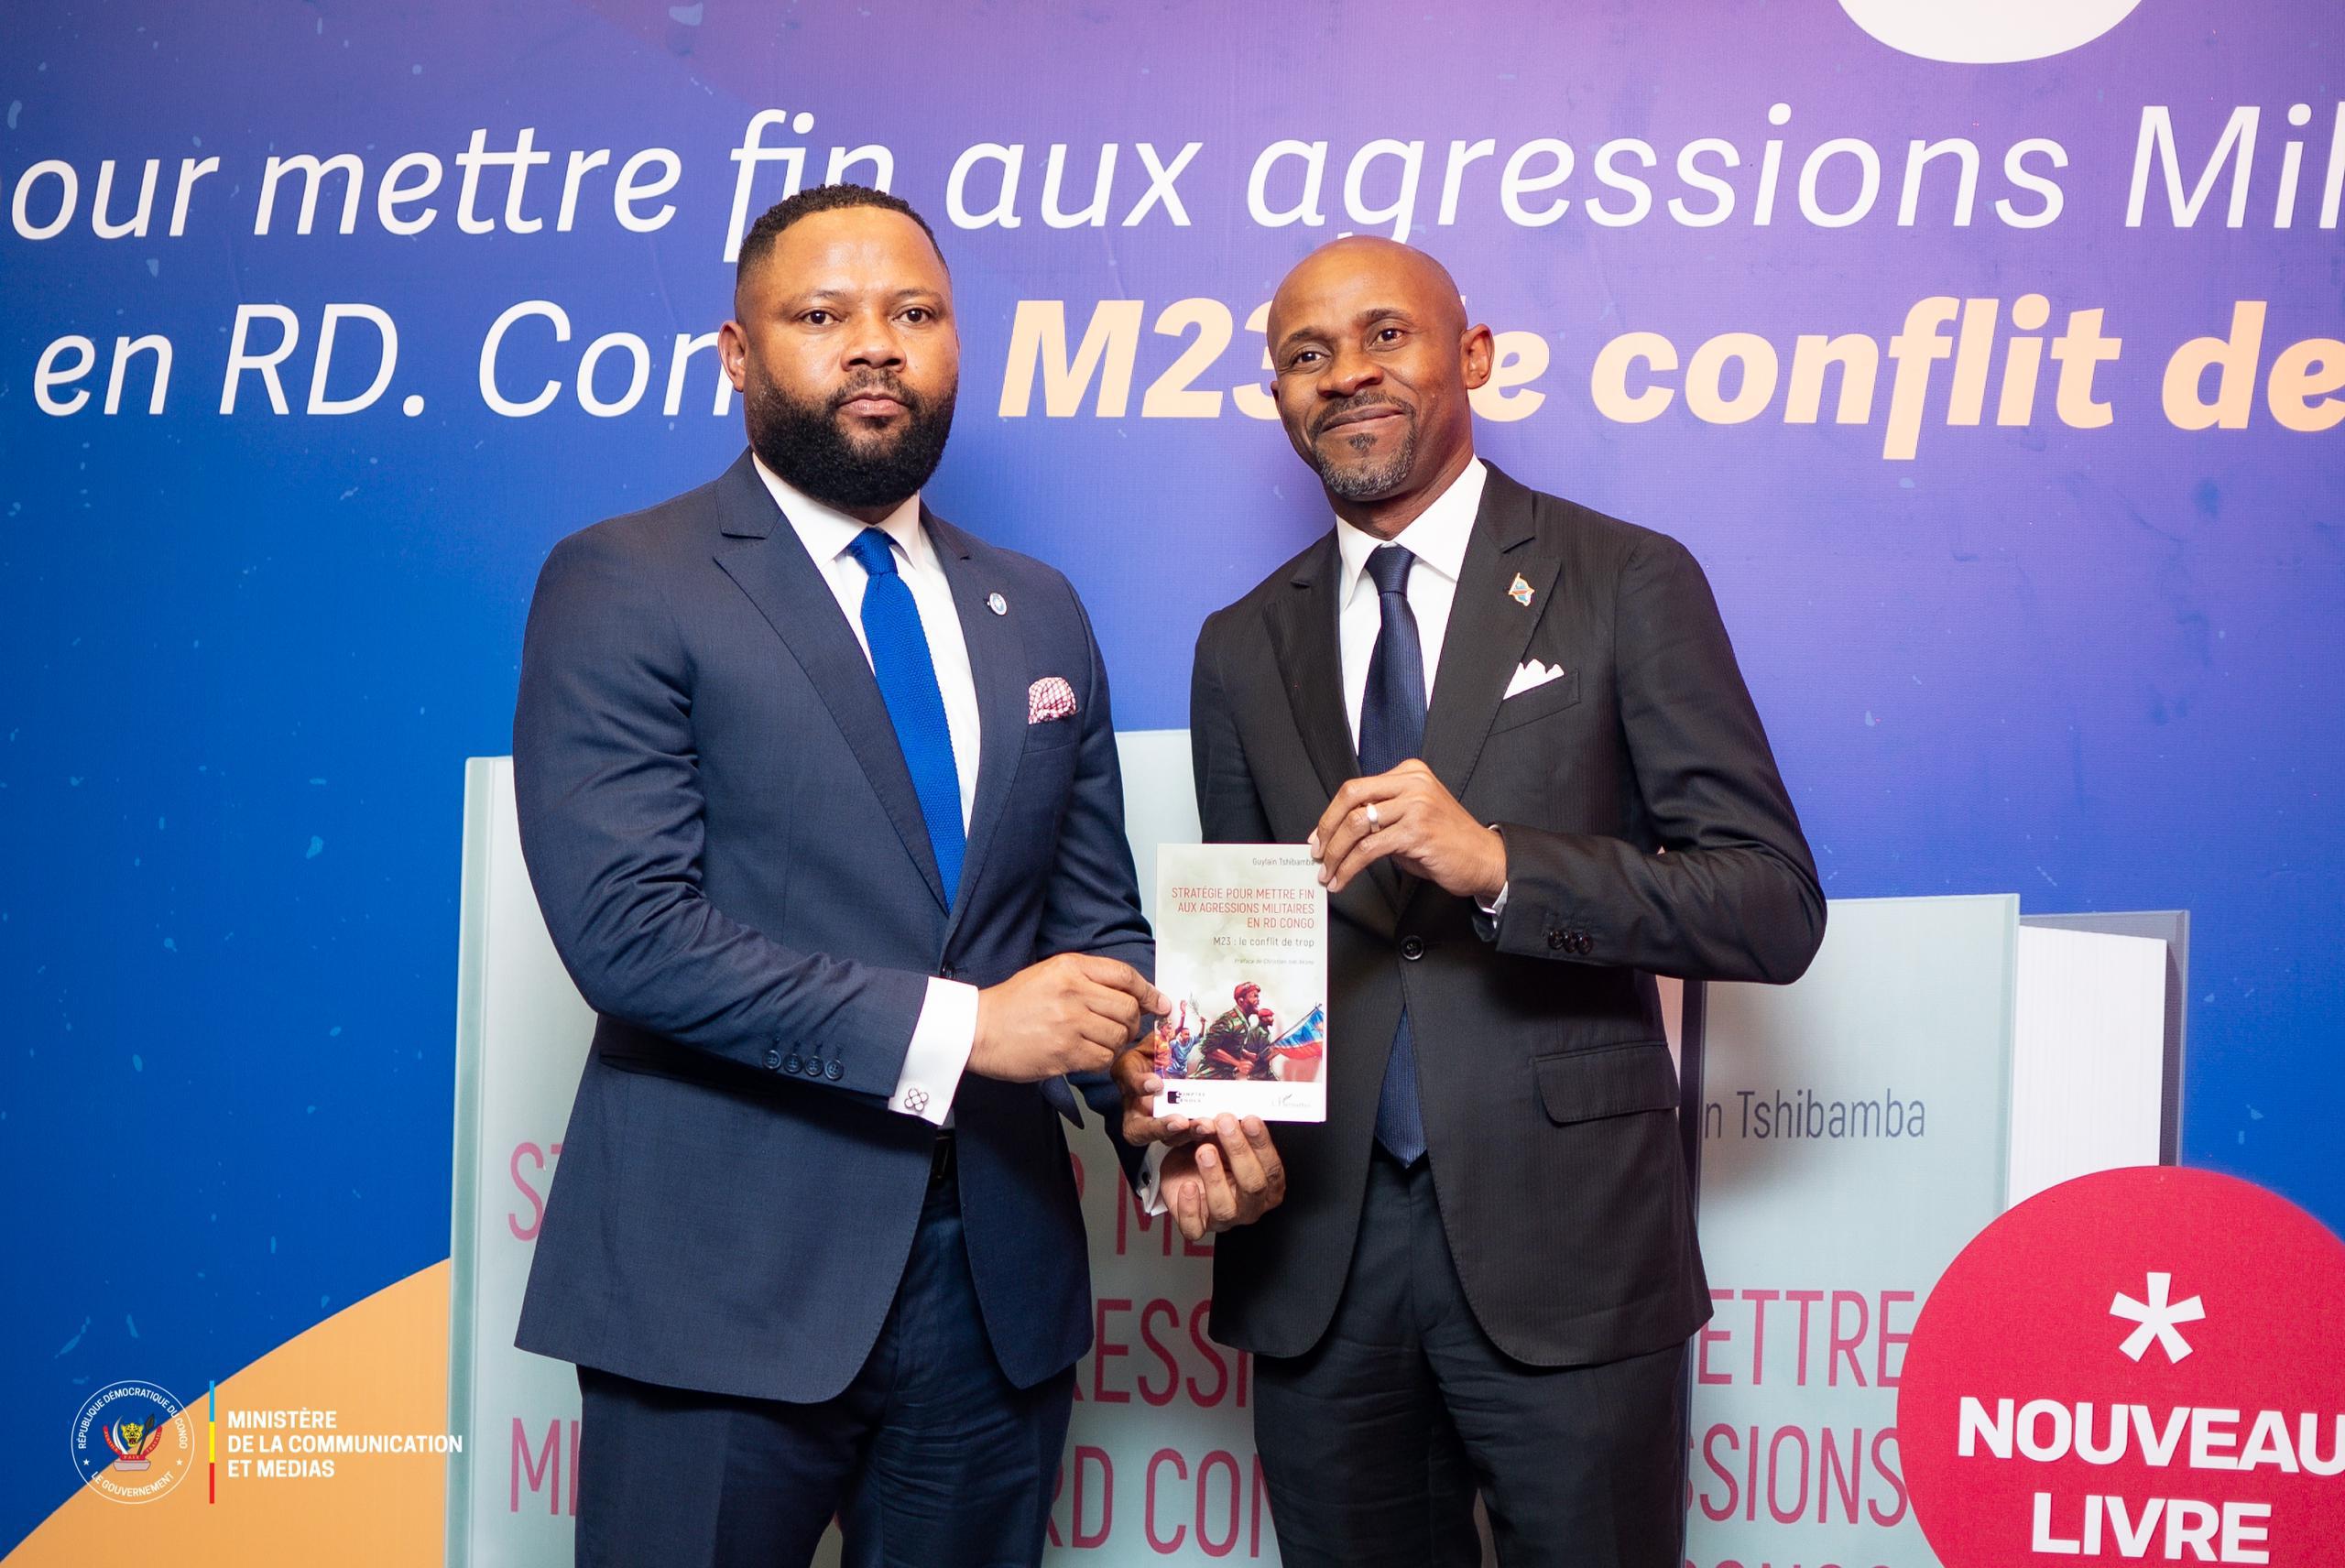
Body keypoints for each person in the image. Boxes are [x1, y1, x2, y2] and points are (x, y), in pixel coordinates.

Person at [509, 183, 1272, 1568]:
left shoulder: (1038, 608)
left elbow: (1092, 926)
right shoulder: (625, 579)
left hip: (997, 1288)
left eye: (914, 313)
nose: (875, 344)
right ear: (738, 354)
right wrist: (972, 1028)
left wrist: (1176, 1119)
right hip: (718, 1288)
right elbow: (629, 934)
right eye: (823, 315)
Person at [1119, 236, 1824, 1567]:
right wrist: (1194, 1129)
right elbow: (1251, 950)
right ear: (1278, 395)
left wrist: (1503, 865)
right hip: (1317, 1263)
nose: (1347, 374)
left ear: (1474, 355)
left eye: (1385, 336)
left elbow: (1772, 904)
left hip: (1571, 1253)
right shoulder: (1238, 642)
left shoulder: (1626, 578)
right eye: (1308, 355)